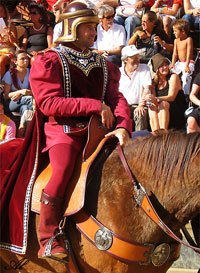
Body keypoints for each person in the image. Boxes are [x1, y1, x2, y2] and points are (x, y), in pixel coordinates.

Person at [30, 0, 132, 261]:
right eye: (87, 26)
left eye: (94, 26)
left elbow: (116, 98)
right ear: (72, 28)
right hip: (63, 131)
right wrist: (94, 106)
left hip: (99, 132)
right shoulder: (50, 60)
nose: (93, 31)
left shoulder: (103, 63)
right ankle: (48, 238)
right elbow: (48, 103)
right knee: (63, 169)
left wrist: (123, 126)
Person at [147, 53, 187, 131]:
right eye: (161, 66)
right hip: (163, 111)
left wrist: (156, 99)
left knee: (163, 104)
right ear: (157, 69)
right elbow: (154, 100)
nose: (165, 67)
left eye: (166, 65)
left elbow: (171, 97)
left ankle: (163, 133)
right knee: (152, 106)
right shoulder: (154, 83)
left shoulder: (173, 77)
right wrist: (151, 99)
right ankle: (156, 134)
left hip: (176, 109)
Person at [119, 45, 152, 131]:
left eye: (137, 56)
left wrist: (141, 105)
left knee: (140, 114)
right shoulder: (118, 72)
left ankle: (140, 143)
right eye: (133, 57)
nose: (137, 59)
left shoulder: (144, 68)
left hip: (139, 104)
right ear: (125, 60)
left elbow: (147, 88)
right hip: (123, 106)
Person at [2, 49, 33, 117]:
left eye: (27, 58)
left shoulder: (31, 72)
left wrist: (21, 94)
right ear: (15, 61)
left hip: (24, 100)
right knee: (30, 99)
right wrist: (20, 92)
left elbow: (33, 90)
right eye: (22, 59)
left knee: (25, 108)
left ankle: (22, 126)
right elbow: (6, 95)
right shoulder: (10, 74)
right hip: (11, 102)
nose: (26, 60)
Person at [170, 19, 194, 95]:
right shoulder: (176, 41)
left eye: (175, 31)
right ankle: (173, 91)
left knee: (185, 76)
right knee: (171, 73)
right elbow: (175, 54)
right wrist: (173, 64)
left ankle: (185, 94)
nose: (174, 33)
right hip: (179, 63)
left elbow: (189, 53)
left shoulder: (188, 40)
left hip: (188, 62)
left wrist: (187, 65)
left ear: (183, 31)